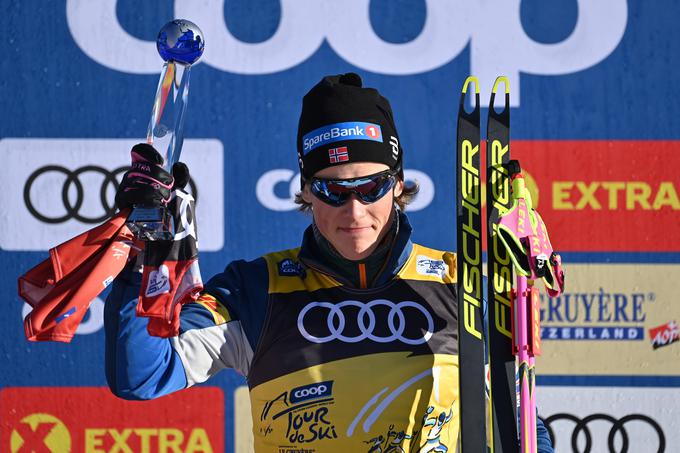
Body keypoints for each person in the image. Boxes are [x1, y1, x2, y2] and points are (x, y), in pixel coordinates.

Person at [106, 73, 554, 452]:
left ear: (398, 184)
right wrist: (143, 252)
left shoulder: (464, 282)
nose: (354, 211)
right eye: (333, 191)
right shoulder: (256, 290)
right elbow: (142, 375)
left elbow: (521, 420)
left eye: (372, 187)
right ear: (304, 190)